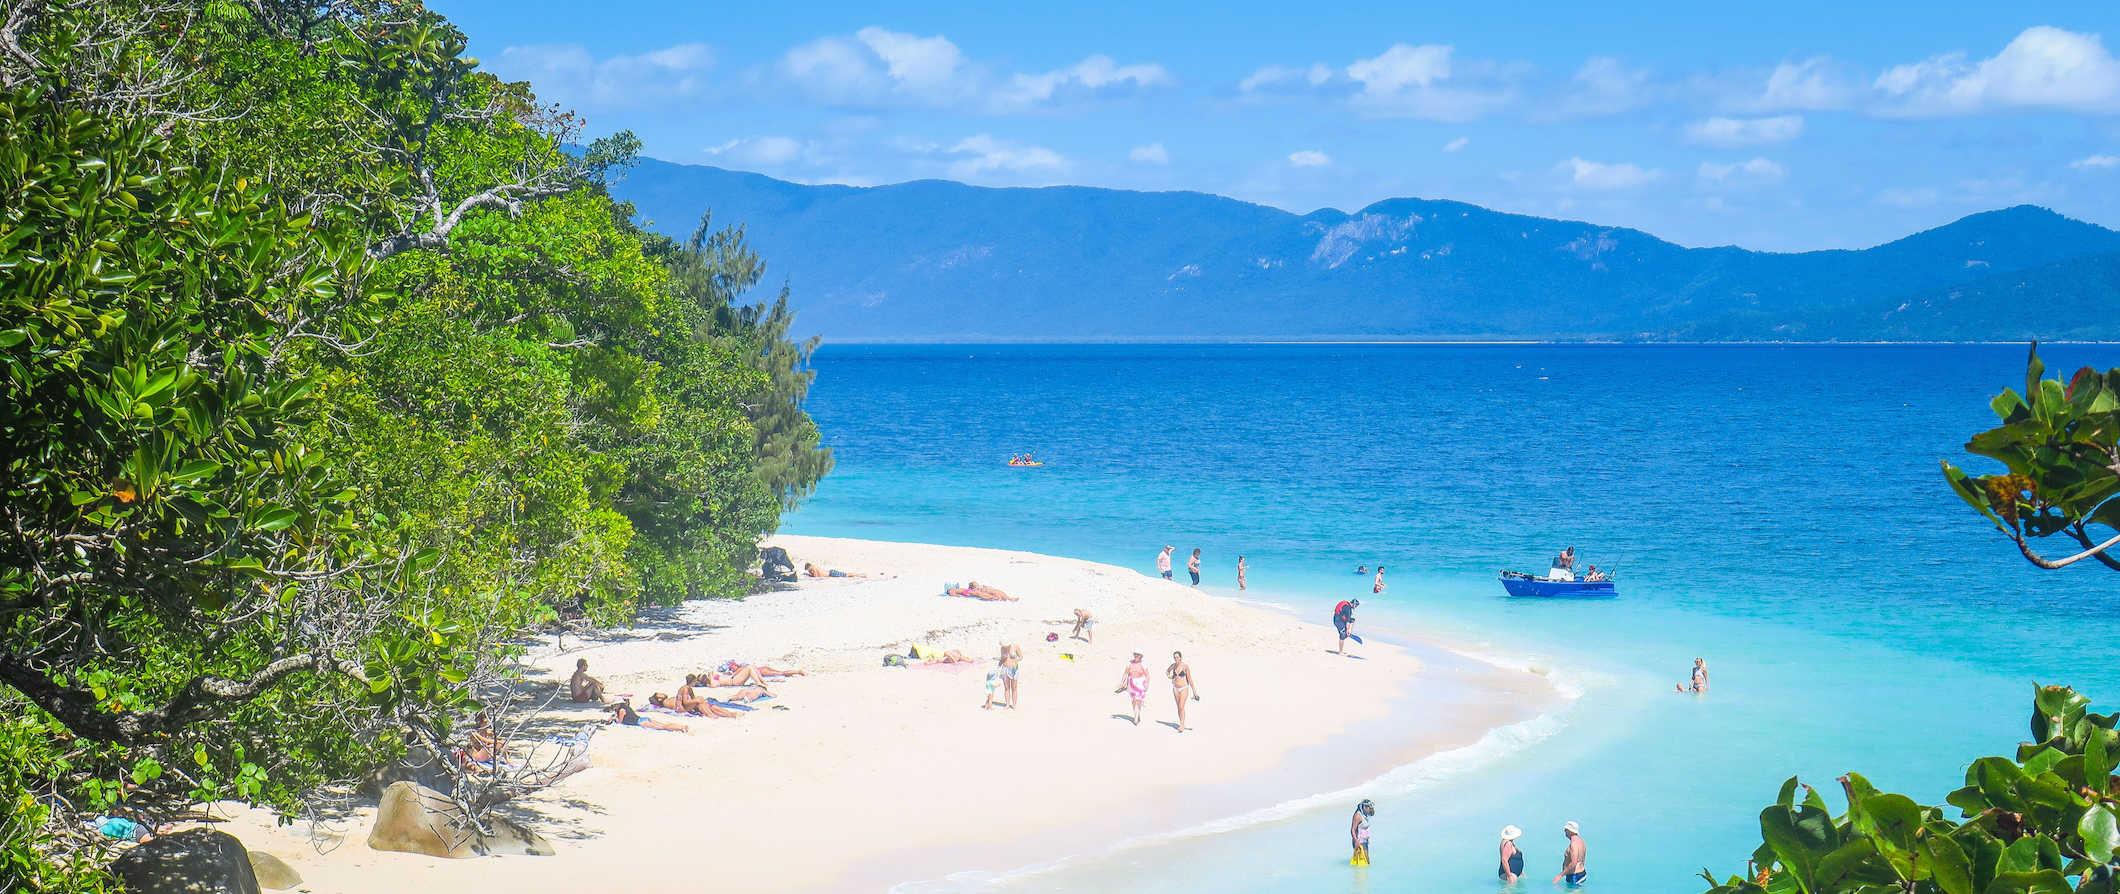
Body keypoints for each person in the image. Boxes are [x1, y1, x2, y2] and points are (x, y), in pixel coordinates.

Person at [1167, 651, 1201, 732]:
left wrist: (1194, 692)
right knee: (1179, 707)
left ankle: (1182, 724)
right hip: (1175, 688)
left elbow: (1190, 679)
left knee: (1181, 706)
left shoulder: (1185, 666)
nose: (1176, 659)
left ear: (1181, 657)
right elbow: (1167, 671)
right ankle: (1181, 722)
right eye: (1174, 657)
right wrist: (1170, 676)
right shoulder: (1173, 666)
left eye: (1177, 657)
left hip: (1184, 688)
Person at [608, 698, 687, 732]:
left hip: (640, 722)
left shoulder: (622, 710)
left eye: (615, 705)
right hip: (643, 718)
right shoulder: (625, 707)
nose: (614, 706)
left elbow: (620, 721)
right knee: (664, 724)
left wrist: (615, 719)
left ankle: (680, 728)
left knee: (662, 727)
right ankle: (681, 726)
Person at [1115, 652, 1150, 725]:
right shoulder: (1129, 664)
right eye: (1135, 655)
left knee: (1138, 700)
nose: (1136, 656)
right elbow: (1125, 673)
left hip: (1140, 683)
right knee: (1134, 700)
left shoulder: (1143, 664)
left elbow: (1147, 675)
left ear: (1140, 656)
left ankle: (1136, 718)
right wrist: (1122, 683)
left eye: (1138, 655)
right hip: (1131, 683)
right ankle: (1136, 714)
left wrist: (1147, 684)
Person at [1553, 821, 1587, 886]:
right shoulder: (1582, 842)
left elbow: (1573, 863)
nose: (1564, 831)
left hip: (1575, 876)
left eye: (1566, 829)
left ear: (1570, 831)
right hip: (1581, 873)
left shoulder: (1573, 844)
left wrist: (1560, 876)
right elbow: (1581, 859)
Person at [1350, 799, 1375, 866]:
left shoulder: (1365, 815)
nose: (1370, 810)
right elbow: (1352, 830)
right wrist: (1356, 842)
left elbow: (1372, 813)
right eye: (1369, 808)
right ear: (1364, 807)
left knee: (1367, 862)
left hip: (1365, 842)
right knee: (1361, 865)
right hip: (1359, 842)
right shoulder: (1358, 816)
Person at [1000, 641, 1022, 709]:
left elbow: (1021, 657)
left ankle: (1014, 705)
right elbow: (1002, 659)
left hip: (1013, 669)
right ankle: (1007, 704)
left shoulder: (1015, 646)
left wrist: (1015, 660)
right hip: (1005, 669)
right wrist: (998, 667)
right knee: (1006, 688)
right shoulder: (1002, 648)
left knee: (1014, 688)